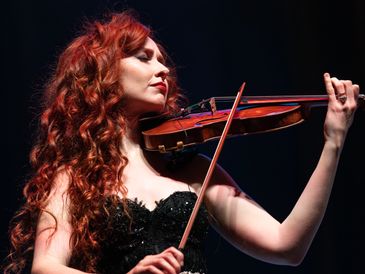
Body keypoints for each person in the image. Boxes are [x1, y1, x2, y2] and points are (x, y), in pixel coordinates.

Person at [2, 10, 360, 274]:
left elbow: (287, 246)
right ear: (103, 75)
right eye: (144, 58)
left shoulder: (193, 170)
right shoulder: (76, 175)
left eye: (162, 61)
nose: (162, 70)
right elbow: (45, 267)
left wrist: (333, 142)